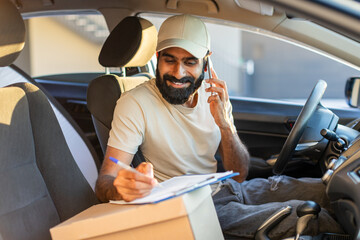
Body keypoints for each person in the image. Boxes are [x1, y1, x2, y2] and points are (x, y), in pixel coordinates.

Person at [95, 14, 343, 239]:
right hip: (194, 209)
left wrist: (225, 126)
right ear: (158, 58)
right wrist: (120, 188)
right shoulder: (134, 103)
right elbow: (105, 179)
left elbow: (239, 173)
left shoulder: (214, 95)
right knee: (313, 218)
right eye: (169, 60)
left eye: (190, 62)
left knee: (332, 191)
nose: (178, 73)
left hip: (228, 188)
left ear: (205, 62)